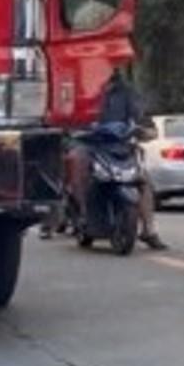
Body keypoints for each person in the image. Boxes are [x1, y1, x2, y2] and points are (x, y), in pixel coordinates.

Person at [63, 68, 168, 250]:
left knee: (143, 181)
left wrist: (145, 130)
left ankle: (149, 230)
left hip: (120, 147)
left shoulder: (126, 92)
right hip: (90, 144)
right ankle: (83, 212)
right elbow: (66, 115)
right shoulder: (79, 88)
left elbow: (142, 119)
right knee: (76, 159)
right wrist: (72, 128)